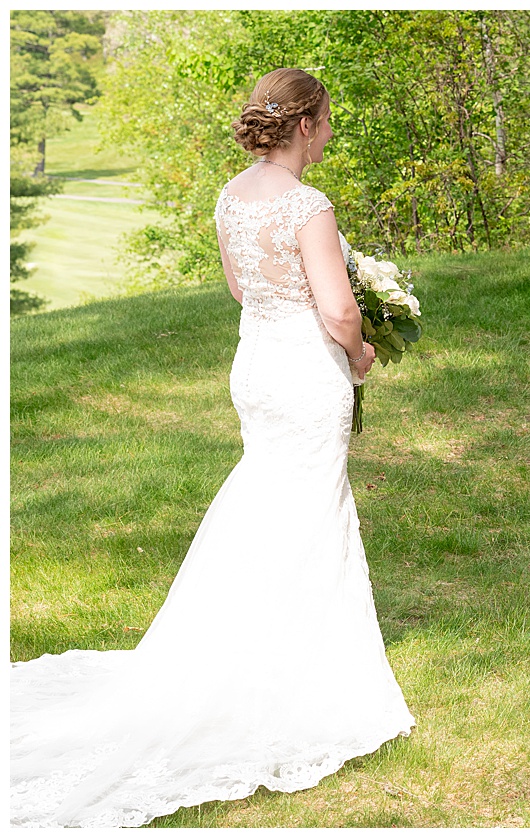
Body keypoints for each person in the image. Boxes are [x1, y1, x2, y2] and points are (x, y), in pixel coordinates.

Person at [10, 68, 412, 827]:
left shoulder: (233, 194)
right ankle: (297, 679)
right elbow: (334, 306)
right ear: (304, 125)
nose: (329, 131)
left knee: (268, 500)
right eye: (326, 119)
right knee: (310, 510)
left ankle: (238, 641)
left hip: (255, 364)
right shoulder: (309, 205)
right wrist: (359, 350)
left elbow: (238, 286)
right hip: (301, 371)